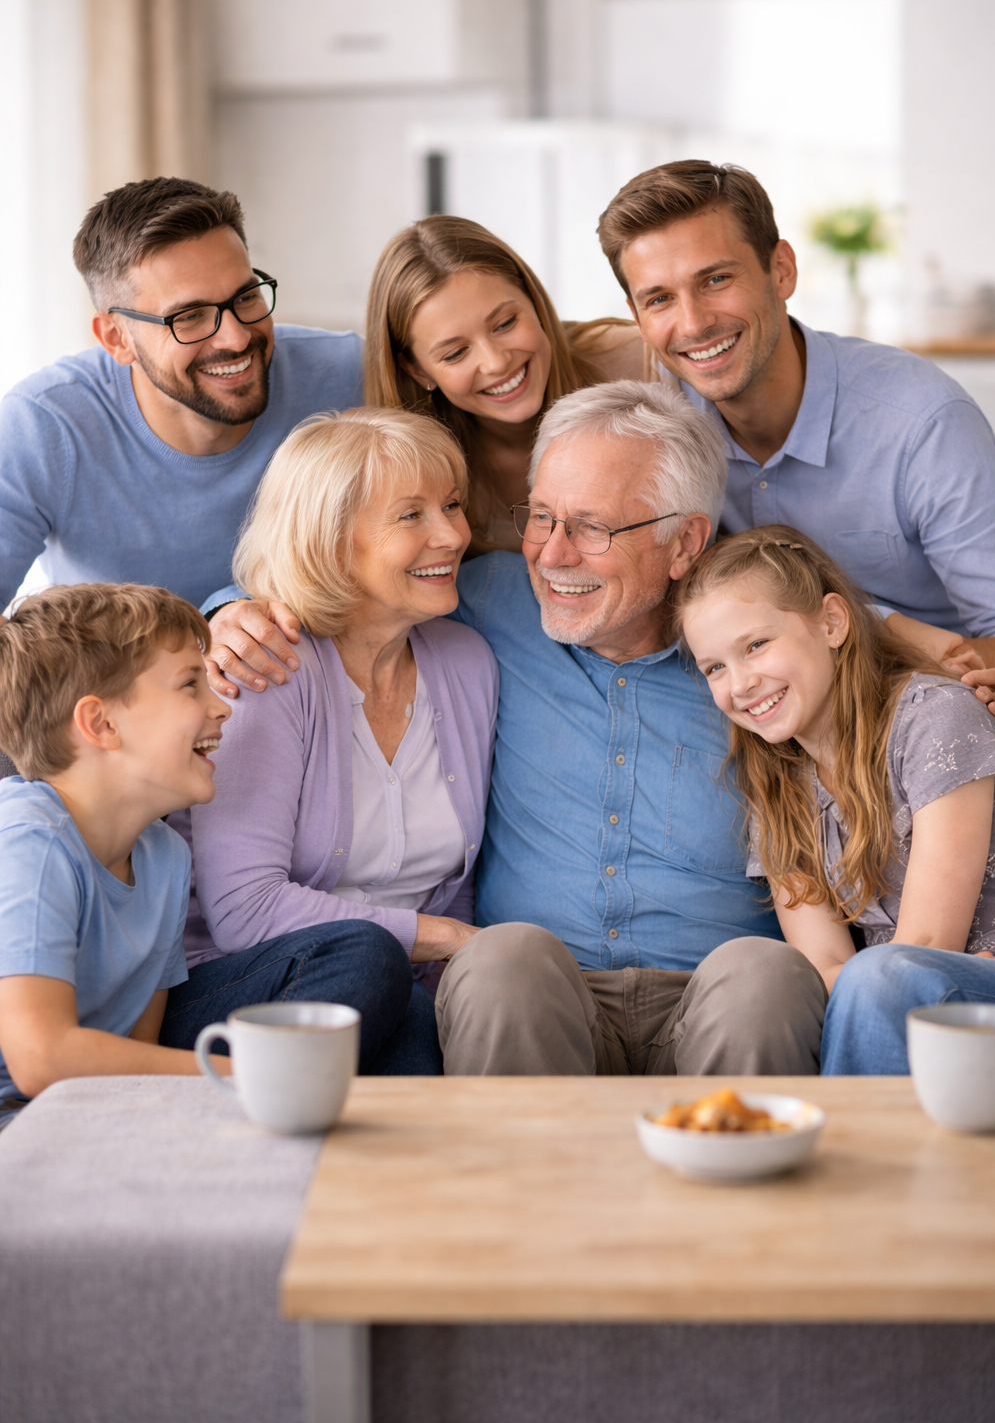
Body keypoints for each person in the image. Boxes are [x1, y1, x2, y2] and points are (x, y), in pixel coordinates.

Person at [434, 380, 828, 1077]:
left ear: (685, 544)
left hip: (719, 997)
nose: (552, 556)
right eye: (542, 518)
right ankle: (520, 1188)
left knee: (766, 974)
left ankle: (729, 1178)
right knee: (499, 957)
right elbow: (341, 593)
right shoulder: (487, 599)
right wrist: (236, 612)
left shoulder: (756, 649)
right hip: (544, 996)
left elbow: (851, 624)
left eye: (591, 528)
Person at [596, 160, 995, 690]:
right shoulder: (655, 423)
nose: (693, 323)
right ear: (637, 316)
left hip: (920, 706)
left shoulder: (922, 421)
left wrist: (893, 641)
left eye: (717, 279)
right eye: (659, 299)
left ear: (782, 270)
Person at [0, 585, 414, 1127]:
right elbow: (40, 1059)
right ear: (101, 724)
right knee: (367, 954)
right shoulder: (29, 840)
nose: (222, 707)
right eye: (190, 685)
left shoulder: (165, 856)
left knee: (412, 1014)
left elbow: (141, 1045)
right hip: (19, 1114)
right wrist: (253, 1076)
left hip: (100, 1105)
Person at [181, 408, 498, 1074]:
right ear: (330, 542)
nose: (451, 535)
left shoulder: (467, 663)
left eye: (452, 505)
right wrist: (451, 942)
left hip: (399, 989)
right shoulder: (268, 672)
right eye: (411, 516)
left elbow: (453, 884)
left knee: (418, 1016)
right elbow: (244, 911)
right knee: (372, 961)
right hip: (246, 983)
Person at [0, 175, 363, 730]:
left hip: (307, 701)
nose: (236, 338)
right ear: (116, 339)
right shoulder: (45, 426)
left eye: (245, 297)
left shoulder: (349, 378)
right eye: (188, 316)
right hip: (123, 727)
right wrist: (202, 633)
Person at [676, 525, 995, 1077]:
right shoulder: (777, 783)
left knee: (879, 975)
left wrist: (874, 974)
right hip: (901, 993)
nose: (739, 684)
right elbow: (823, 964)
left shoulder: (934, 717)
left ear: (832, 623)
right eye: (715, 667)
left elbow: (930, 943)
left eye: (756, 645)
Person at [364, 214, 644, 553]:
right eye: (455, 353)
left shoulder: (640, 365)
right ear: (416, 371)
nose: (496, 362)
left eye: (505, 323)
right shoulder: (402, 467)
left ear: (534, 301)